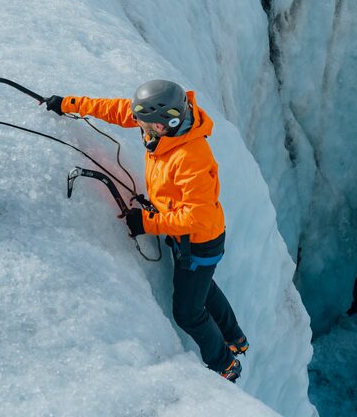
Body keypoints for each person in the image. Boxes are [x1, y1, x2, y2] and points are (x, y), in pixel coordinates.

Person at [45, 79, 249, 382]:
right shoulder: (161, 125)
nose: (142, 128)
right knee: (202, 287)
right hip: (186, 237)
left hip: (199, 242)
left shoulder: (191, 157)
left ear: (170, 121)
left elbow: (198, 217)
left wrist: (147, 222)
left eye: (149, 125)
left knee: (188, 312)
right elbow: (115, 110)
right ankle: (236, 338)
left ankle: (225, 364)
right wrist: (68, 104)